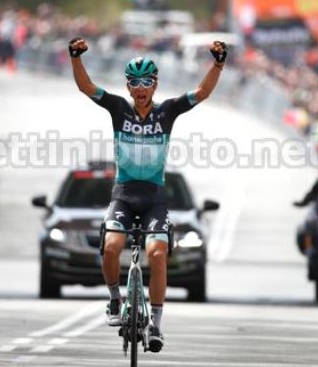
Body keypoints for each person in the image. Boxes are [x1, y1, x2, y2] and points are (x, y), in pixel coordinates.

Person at [69, 36, 227, 353]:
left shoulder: (168, 112)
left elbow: (203, 92)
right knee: (112, 247)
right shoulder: (117, 108)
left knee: (157, 255)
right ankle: (115, 299)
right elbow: (87, 88)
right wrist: (75, 58)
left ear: (155, 84)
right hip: (124, 195)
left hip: (155, 197)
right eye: (134, 82)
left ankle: (156, 324)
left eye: (147, 82)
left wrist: (218, 63)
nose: (140, 88)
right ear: (128, 86)